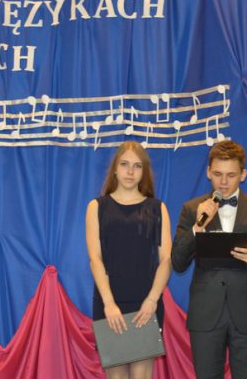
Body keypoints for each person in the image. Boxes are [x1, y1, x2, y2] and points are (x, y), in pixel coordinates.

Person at [171, 140, 247, 379]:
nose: (223, 182)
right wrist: (197, 228)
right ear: (208, 172)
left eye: (231, 175)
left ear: (243, 175)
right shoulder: (192, 209)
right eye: (217, 174)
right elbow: (178, 262)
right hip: (206, 313)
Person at [86, 141, 172, 379]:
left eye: (137, 166)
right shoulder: (96, 207)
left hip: (146, 305)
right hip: (109, 304)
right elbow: (95, 258)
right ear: (115, 168)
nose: (130, 171)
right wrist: (109, 304)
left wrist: (152, 300)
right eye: (124, 164)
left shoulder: (158, 208)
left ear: (144, 172)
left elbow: (166, 259)